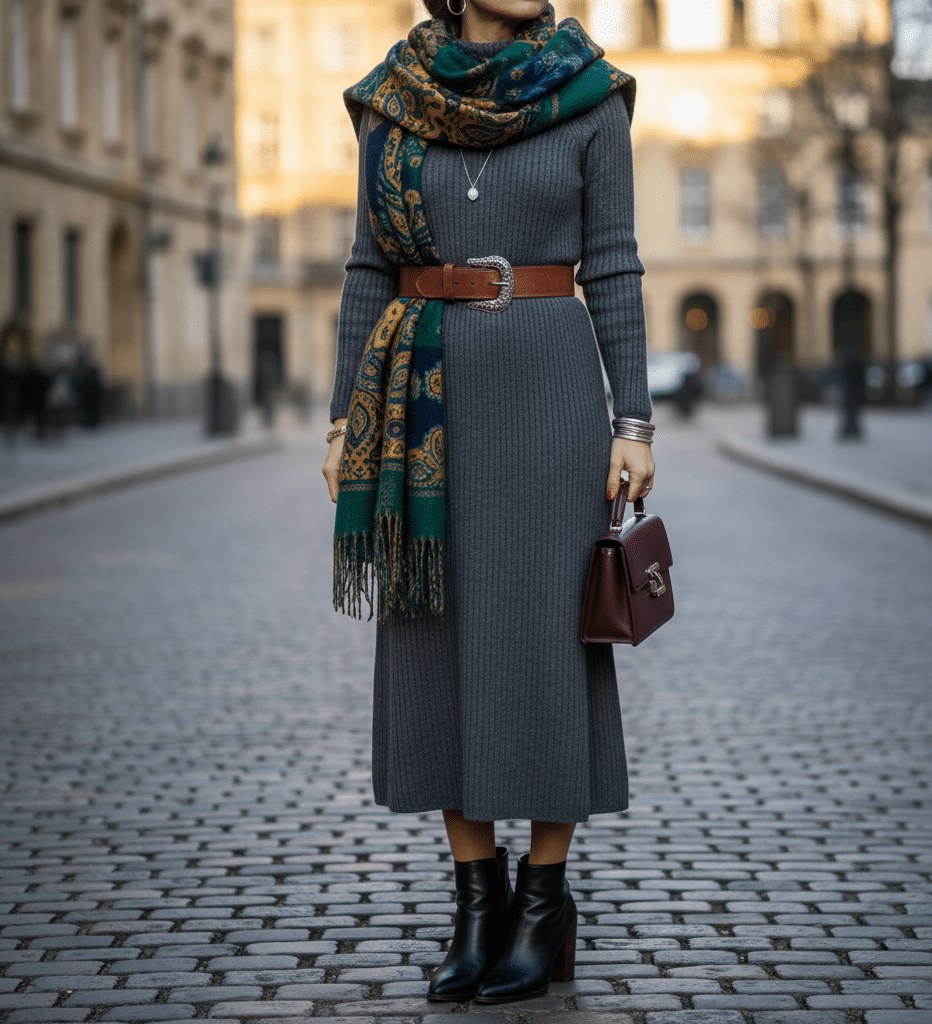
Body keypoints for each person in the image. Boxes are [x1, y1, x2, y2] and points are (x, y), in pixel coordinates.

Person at [321, 0, 655, 1004]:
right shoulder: (392, 101)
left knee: (554, 640)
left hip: (553, 398)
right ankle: (476, 898)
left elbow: (613, 262)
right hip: (421, 405)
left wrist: (632, 419)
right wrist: (343, 421)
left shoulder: (588, 92)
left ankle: (544, 897)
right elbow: (367, 268)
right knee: (437, 630)